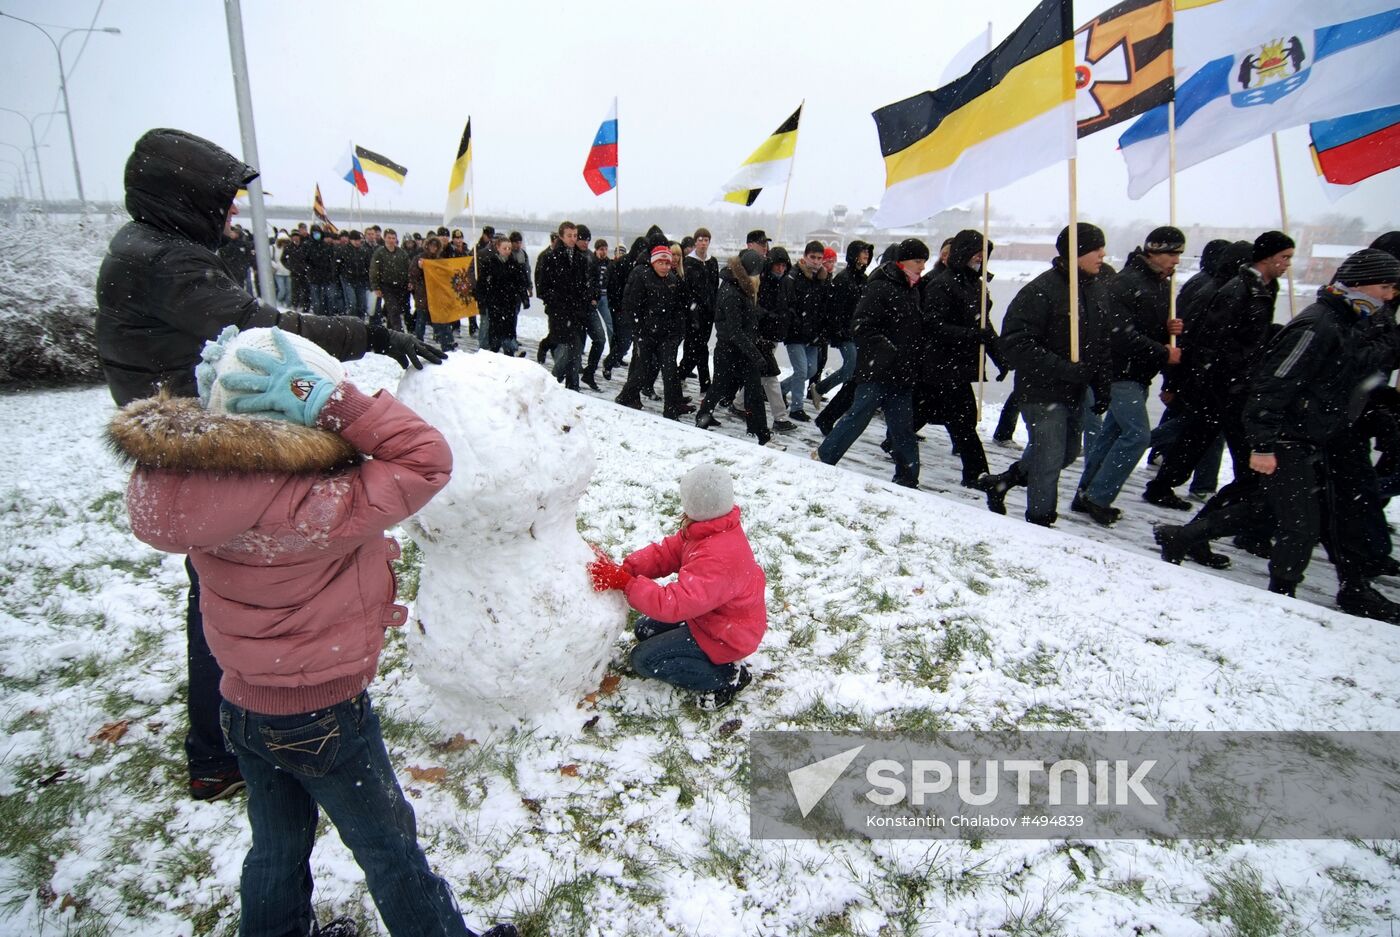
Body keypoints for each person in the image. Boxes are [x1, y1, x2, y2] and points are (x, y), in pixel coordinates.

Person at [112, 326, 515, 937]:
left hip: (243, 704)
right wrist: (333, 399)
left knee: (276, 849)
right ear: (298, 416)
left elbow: (206, 461)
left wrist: (215, 414)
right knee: (389, 850)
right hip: (322, 713)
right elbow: (426, 457)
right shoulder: (319, 502)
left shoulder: (191, 490)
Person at [95, 128, 441, 803]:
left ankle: (232, 734)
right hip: (214, 453)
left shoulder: (152, 250)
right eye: (221, 201)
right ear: (185, 197)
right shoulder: (167, 261)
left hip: (195, 446)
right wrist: (370, 334)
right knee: (225, 594)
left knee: (222, 587)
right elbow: (264, 331)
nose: (229, 214)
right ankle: (226, 742)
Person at [1155, 249, 1400, 621]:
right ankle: (1283, 595)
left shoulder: (1351, 322)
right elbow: (1273, 385)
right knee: (1300, 525)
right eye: (1384, 286)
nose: (1389, 295)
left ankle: (1184, 537)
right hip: (1289, 435)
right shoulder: (1317, 325)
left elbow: (1350, 373)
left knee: (1275, 510)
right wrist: (1264, 443)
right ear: (1360, 282)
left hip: (1320, 434)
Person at [587, 463, 765, 711]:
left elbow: (674, 604)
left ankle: (726, 676)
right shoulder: (710, 528)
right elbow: (668, 552)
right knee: (644, 630)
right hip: (709, 618)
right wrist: (629, 568)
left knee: (644, 661)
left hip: (727, 636)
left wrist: (627, 584)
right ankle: (710, 659)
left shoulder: (719, 557)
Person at [1143, 231, 1295, 510]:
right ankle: (1233, 505)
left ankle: (1164, 482)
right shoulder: (1236, 290)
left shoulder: (1260, 289)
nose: (1287, 264)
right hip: (1225, 382)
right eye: (1284, 257)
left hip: (1231, 380)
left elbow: (1247, 335)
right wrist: (1190, 379)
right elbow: (1211, 337)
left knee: (1197, 436)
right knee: (1222, 442)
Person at [977, 223, 1113, 525]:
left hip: (1075, 391)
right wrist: (1065, 369)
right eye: (1095, 248)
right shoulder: (1040, 290)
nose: (1102, 254)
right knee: (1049, 457)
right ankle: (1040, 520)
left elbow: (1102, 344)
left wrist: (1101, 386)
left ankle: (1001, 481)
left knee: (1066, 454)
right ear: (1074, 252)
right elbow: (1016, 344)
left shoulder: (1096, 291)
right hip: (1040, 391)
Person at [1073, 226, 1186, 525]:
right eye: (1171, 253)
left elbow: (1144, 328)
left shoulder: (1163, 285)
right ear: (1153, 251)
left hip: (1139, 374)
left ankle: (1084, 494)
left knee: (1111, 436)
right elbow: (1119, 335)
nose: (1176, 260)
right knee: (1137, 436)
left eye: (1179, 254)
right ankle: (1099, 497)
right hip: (1118, 372)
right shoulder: (1126, 283)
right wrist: (1163, 352)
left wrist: (1169, 330)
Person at [815, 238, 930, 487]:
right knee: (857, 417)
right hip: (878, 370)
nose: (922, 267)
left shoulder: (912, 289)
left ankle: (908, 476)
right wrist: (887, 350)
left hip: (903, 372)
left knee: (903, 428)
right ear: (902, 262)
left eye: (924, 262)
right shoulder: (881, 286)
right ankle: (824, 456)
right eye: (918, 261)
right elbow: (861, 324)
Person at [918, 229, 1001, 488]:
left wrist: (1000, 357)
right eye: (977, 253)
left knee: (925, 412)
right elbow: (932, 325)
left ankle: (897, 440)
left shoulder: (977, 286)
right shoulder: (942, 284)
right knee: (964, 419)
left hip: (958, 365)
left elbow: (985, 328)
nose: (980, 258)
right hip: (941, 364)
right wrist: (971, 335)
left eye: (984, 254)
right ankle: (977, 474)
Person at [696, 250, 782, 448]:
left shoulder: (740, 287)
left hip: (740, 350)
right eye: (758, 272)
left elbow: (747, 317)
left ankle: (761, 434)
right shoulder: (732, 292)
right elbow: (734, 331)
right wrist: (756, 355)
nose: (759, 277)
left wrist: (765, 319)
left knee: (752, 392)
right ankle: (703, 415)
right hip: (730, 350)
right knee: (720, 387)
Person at [616, 245, 691, 418]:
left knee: (670, 370)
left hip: (666, 335)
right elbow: (631, 306)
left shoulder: (672, 279)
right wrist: (639, 331)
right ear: (653, 262)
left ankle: (671, 408)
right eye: (661, 263)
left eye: (667, 263)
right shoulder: (642, 276)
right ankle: (625, 396)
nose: (665, 267)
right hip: (646, 333)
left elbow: (678, 307)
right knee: (643, 370)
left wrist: (676, 331)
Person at [536, 221, 593, 390]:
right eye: (569, 235)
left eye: (575, 236)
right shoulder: (550, 257)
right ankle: (553, 380)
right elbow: (542, 286)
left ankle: (572, 384)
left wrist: (583, 301)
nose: (573, 239)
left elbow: (584, 284)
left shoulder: (580, 259)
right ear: (561, 236)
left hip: (575, 311)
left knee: (575, 349)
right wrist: (553, 301)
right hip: (558, 310)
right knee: (562, 348)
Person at [781, 241, 831, 423]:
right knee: (801, 369)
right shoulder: (794, 277)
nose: (816, 261)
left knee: (811, 370)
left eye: (819, 258)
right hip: (795, 333)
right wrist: (794, 324)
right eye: (813, 257)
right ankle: (796, 407)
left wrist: (822, 330)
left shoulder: (823, 279)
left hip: (813, 334)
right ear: (805, 256)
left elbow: (824, 308)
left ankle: (781, 388)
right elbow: (789, 305)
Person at [370, 228, 414, 333]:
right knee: (393, 309)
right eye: (389, 238)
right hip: (386, 286)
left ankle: (390, 333)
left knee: (396, 310)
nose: (391, 240)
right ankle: (399, 332)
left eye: (393, 238)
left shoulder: (401, 253)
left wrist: (410, 281)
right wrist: (375, 287)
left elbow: (409, 268)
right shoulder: (379, 253)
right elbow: (374, 270)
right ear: (384, 238)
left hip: (400, 286)